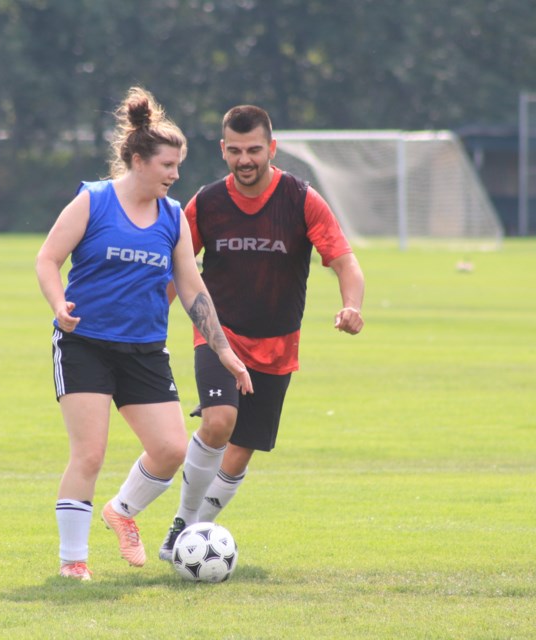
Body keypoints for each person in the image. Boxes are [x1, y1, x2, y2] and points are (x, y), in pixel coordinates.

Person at [35, 87, 253, 581]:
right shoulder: (92, 201)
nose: (176, 175)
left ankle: (122, 511)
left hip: (144, 350)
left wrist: (226, 352)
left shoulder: (173, 216)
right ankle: (74, 563)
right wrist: (57, 304)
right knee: (89, 453)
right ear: (137, 160)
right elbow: (48, 259)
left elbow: (193, 290)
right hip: (84, 343)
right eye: (167, 165)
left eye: (178, 165)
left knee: (172, 449)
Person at [158, 105, 365, 560]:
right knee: (219, 421)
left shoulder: (301, 199)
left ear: (272, 148)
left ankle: (196, 530)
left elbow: (344, 261)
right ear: (223, 150)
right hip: (218, 334)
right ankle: (183, 524)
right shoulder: (207, 203)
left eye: (254, 150)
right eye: (235, 151)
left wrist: (351, 305)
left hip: (277, 345)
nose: (245, 159)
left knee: (241, 449)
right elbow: (178, 268)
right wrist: (149, 316)